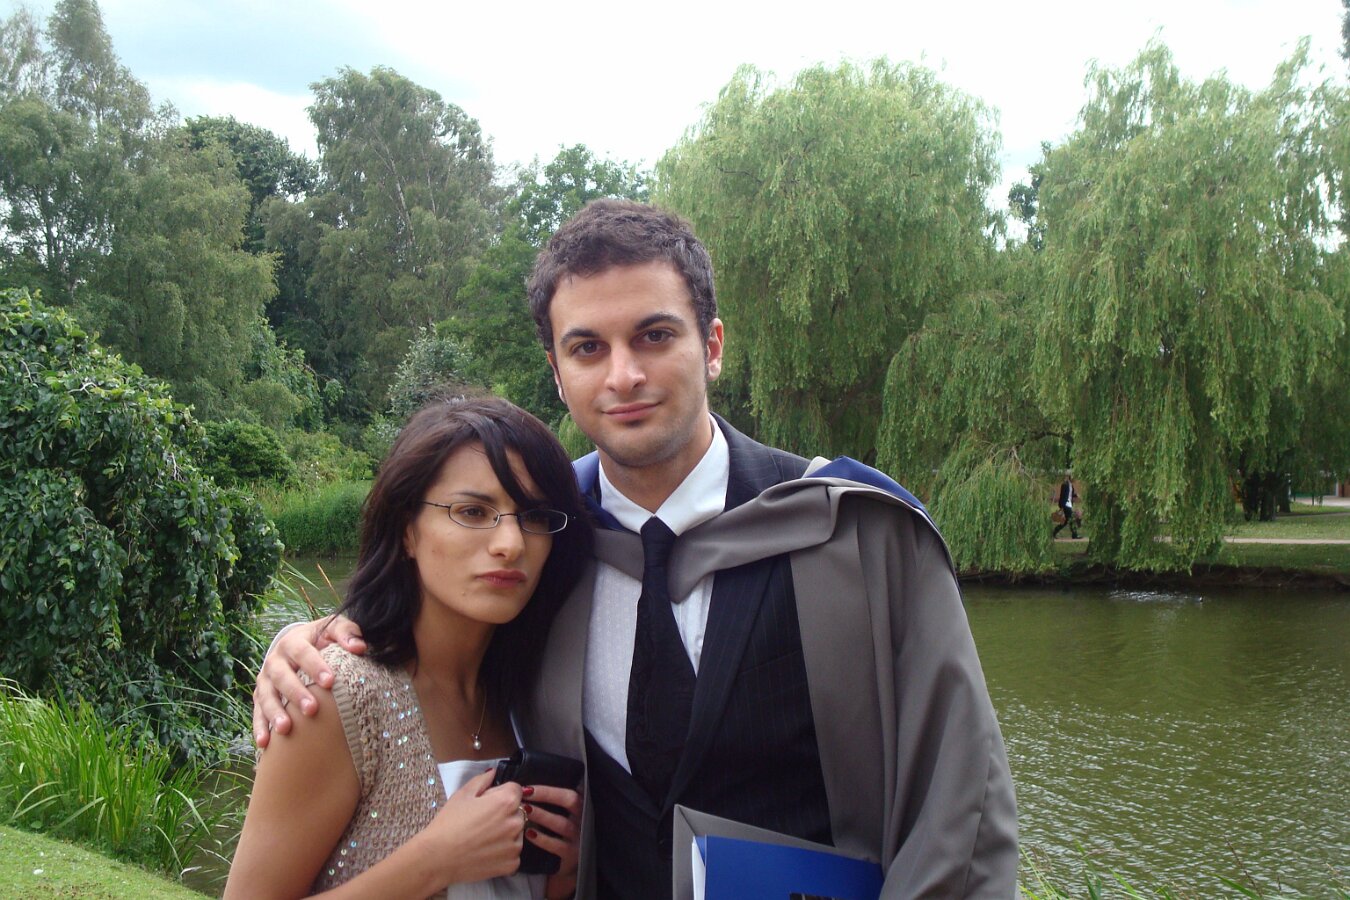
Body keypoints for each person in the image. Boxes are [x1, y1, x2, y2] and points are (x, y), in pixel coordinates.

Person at [255, 201, 1018, 898]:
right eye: (588, 347)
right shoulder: (550, 539)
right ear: (558, 375)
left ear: (712, 345)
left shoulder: (854, 534)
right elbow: (425, 634)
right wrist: (311, 639)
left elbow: (960, 814)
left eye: (655, 335)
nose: (624, 375)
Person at [226, 397, 593, 900]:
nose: (510, 543)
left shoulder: (533, 696)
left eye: (534, 516)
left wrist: (561, 878)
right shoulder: (339, 696)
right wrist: (434, 861)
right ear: (406, 531)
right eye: (473, 511)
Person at [1053, 474, 1079, 539]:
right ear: (1070, 478)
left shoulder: (1071, 486)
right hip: (1065, 504)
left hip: (1069, 504)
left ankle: (1054, 532)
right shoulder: (1065, 485)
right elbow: (1062, 495)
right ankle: (1074, 535)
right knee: (1072, 519)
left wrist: (1076, 495)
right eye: (1073, 478)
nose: (1074, 479)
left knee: (1066, 522)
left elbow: (1070, 494)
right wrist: (1061, 506)